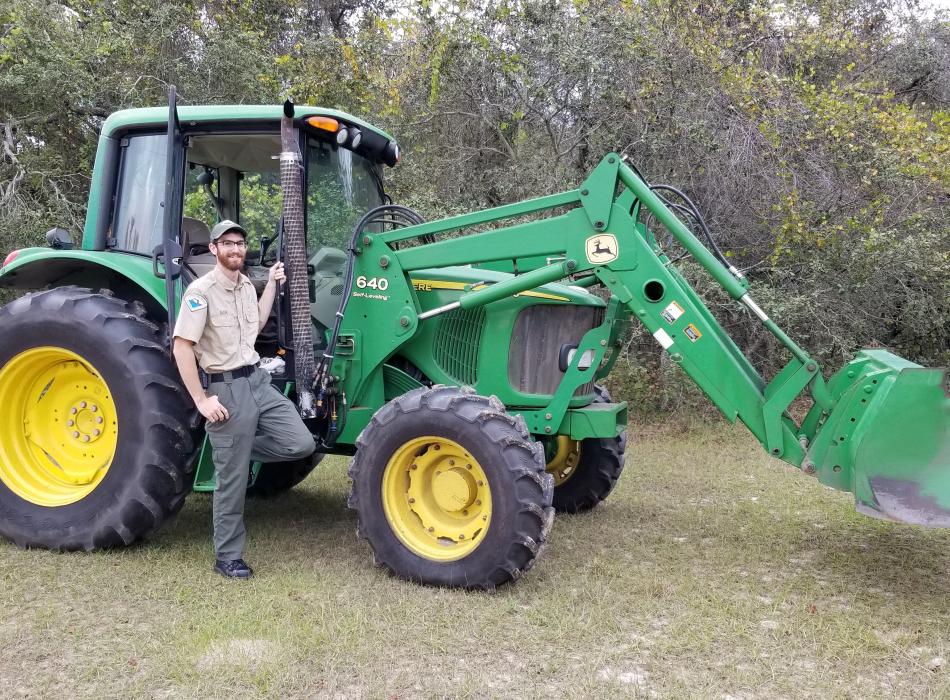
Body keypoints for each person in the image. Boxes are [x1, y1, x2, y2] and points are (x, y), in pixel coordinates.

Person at [172, 220, 316, 579]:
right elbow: (181, 347)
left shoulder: (245, 287)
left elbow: (257, 322)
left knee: (300, 443)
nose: (235, 249)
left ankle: (235, 451)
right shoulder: (201, 292)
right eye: (227, 244)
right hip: (226, 388)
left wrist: (273, 284)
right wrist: (203, 400)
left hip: (257, 381)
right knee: (232, 484)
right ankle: (228, 557)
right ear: (214, 249)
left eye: (240, 243)